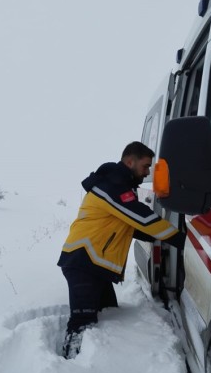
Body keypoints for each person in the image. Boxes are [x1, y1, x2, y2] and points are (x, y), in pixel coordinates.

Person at [56, 141, 185, 358]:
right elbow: (142, 218)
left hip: (95, 265)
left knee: (109, 317)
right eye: (145, 166)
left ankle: (94, 362)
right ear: (129, 161)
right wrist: (182, 241)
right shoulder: (110, 185)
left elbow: (131, 227)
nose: (146, 173)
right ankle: (70, 367)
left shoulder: (120, 186)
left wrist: (159, 238)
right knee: (82, 324)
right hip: (83, 261)